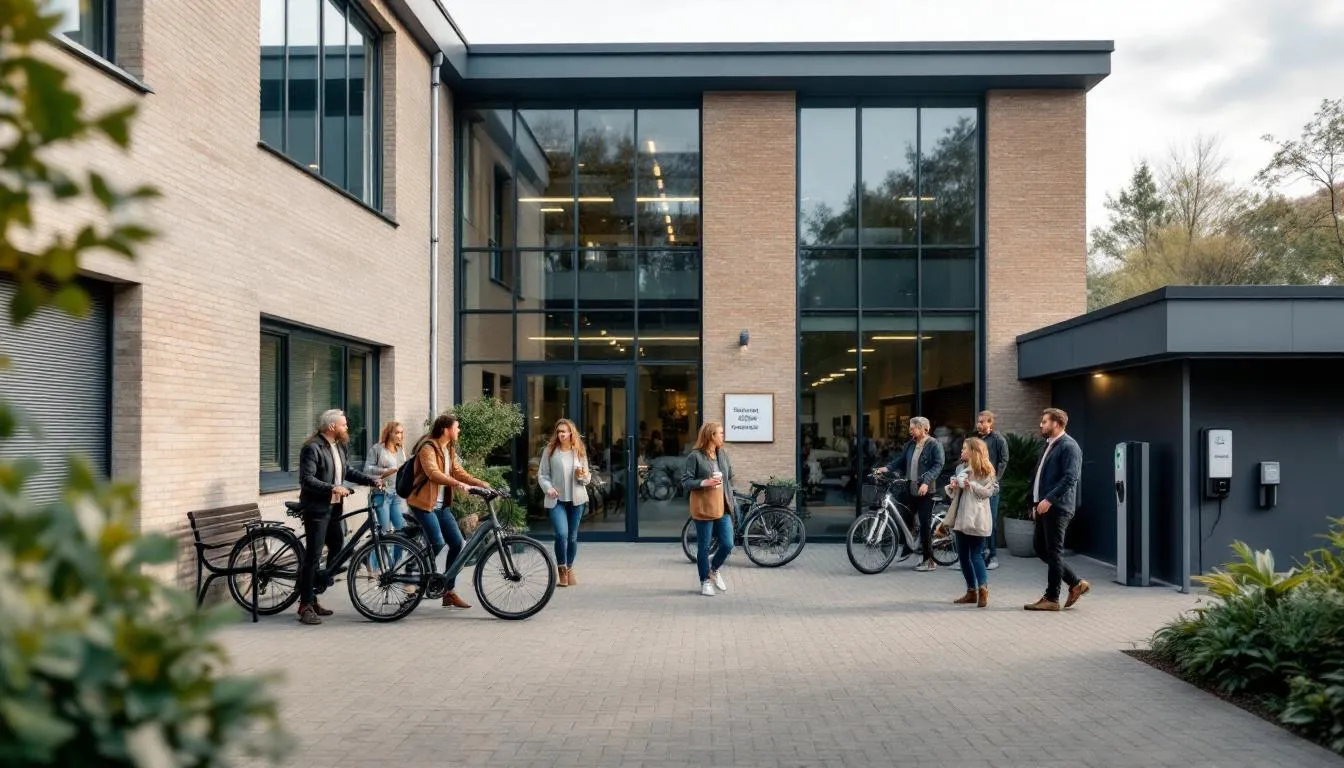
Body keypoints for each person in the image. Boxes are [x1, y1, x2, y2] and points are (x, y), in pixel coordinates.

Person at [296, 409, 383, 626]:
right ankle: (305, 604)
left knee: (338, 547)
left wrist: (370, 480)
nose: (347, 428)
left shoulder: (338, 446)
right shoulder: (313, 447)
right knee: (313, 556)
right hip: (317, 509)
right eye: (344, 425)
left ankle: (316, 584)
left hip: (334, 509)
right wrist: (332, 488)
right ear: (332, 426)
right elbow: (307, 480)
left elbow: (348, 472)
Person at [406, 414, 492, 610]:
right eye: (457, 427)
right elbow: (432, 473)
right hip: (423, 504)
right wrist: (457, 484)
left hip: (441, 506)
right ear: (446, 430)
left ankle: (447, 591)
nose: (459, 430)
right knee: (437, 542)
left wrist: (480, 483)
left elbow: (458, 471)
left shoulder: (448, 449)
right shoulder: (427, 447)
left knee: (457, 543)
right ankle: (412, 569)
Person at [1024, 407, 1089, 612]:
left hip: (1058, 508)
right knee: (1042, 549)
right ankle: (1076, 583)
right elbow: (1038, 476)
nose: (1041, 424)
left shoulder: (1069, 446)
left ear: (1057, 423)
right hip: (1043, 507)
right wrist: (1033, 503)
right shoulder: (1049, 445)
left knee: (1053, 551)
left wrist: (1049, 500)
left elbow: (1070, 478)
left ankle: (1052, 598)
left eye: (1045, 421)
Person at [875, 416, 945, 572]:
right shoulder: (910, 445)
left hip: (926, 490)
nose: (910, 430)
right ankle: (910, 546)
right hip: (911, 488)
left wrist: (926, 482)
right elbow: (901, 461)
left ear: (923, 429)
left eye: (913, 428)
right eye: (910, 428)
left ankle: (929, 561)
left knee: (925, 524)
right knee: (905, 516)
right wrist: (886, 468)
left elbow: (938, 465)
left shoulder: (934, 445)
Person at [936, 438, 998, 608]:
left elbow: (988, 492)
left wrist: (971, 485)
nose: (961, 451)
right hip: (960, 517)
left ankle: (982, 589)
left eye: (964, 449)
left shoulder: (986, 470)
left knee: (976, 555)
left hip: (976, 517)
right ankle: (972, 592)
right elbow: (955, 495)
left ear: (973, 451)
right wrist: (953, 485)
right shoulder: (960, 468)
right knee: (963, 556)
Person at [681, 421, 735, 596]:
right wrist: (705, 482)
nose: (722, 436)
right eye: (720, 433)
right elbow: (686, 482)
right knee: (704, 547)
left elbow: (730, 476)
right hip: (704, 507)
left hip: (723, 506)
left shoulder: (723, 454)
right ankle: (705, 581)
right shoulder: (695, 457)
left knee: (727, 544)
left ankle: (713, 570)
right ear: (711, 436)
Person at [537, 418, 590, 587]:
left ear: (571, 433)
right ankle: (561, 569)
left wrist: (583, 477)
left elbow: (587, 476)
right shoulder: (550, 450)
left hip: (577, 499)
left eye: (564, 431)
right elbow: (543, 474)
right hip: (556, 499)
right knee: (561, 535)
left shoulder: (579, 451)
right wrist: (548, 488)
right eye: (558, 431)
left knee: (573, 537)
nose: (561, 434)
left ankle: (569, 568)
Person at [365, 421, 409, 567]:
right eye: (397, 432)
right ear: (389, 433)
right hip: (381, 494)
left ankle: (394, 566)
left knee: (401, 530)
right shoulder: (378, 449)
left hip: (396, 495)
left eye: (401, 432)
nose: (400, 435)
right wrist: (385, 472)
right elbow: (367, 469)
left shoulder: (400, 449)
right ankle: (375, 567)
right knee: (383, 532)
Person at [974, 410, 1010, 570]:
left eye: (983, 422)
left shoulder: (998, 439)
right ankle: (979, 554)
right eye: (978, 421)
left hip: (991, 487)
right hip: (976, 485)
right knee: (977, 521)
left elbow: (1004, 459)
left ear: (990, 423)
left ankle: (993, 555)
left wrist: (995, 479)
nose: (979, 424)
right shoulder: (974, 439)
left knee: (991, 522)